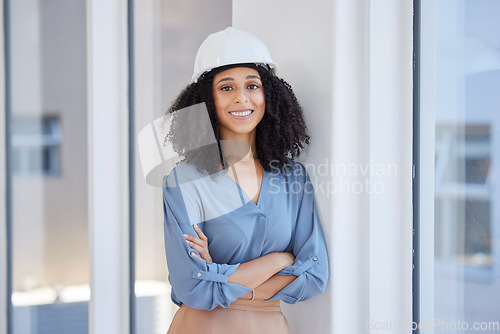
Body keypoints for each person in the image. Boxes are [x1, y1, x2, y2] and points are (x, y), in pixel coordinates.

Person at [162, 27, 328, 334]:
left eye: (252, 85)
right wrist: (282, 258)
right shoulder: (183, 181)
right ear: (206, 100)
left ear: (270, 95)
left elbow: (314, 275)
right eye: (226, 88)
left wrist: (221, 275)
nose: (242, 97)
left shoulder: (292, 177)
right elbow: (192, 287)